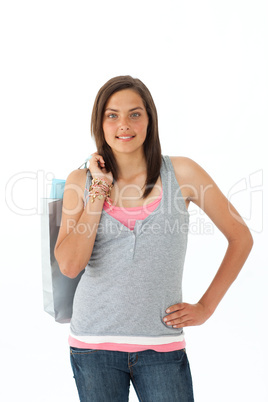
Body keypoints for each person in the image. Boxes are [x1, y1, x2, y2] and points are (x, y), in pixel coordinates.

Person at [54, 75, 253, 402]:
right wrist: (99, 189)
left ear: (150, 120)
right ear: (100, 123)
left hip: (161, 345)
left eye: (135, 114)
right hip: (93, 346)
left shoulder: (183, 173)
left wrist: (206, 306)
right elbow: (71, 265)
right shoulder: (81, 181)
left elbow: (240, 237)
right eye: (112, 115)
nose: (124, 124)